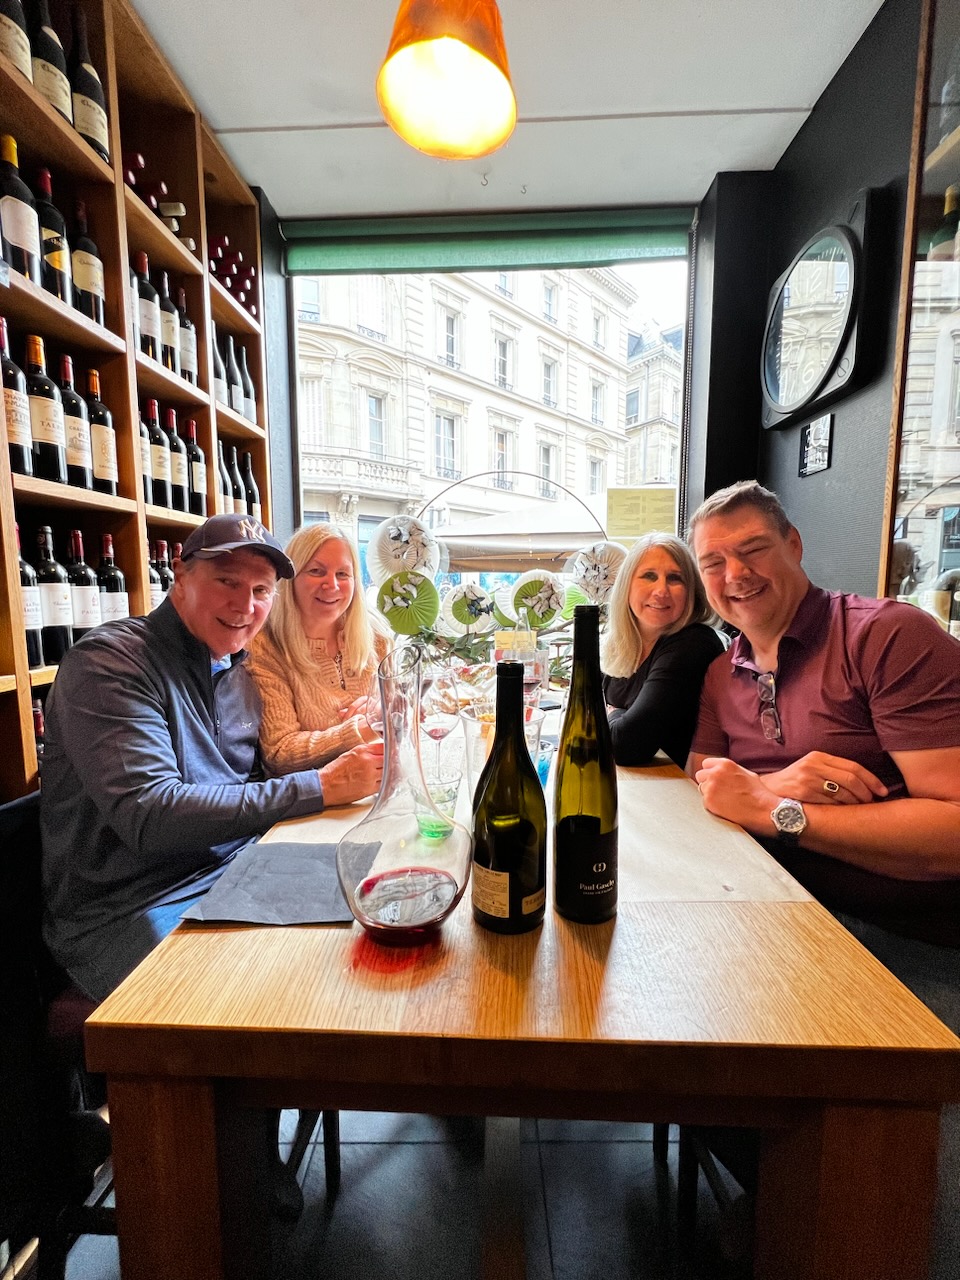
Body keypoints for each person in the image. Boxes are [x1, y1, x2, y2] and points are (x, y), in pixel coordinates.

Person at [686, 480, 960, 1261]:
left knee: (913, 1204)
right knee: (685, 1062)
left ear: (795, 545)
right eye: (714, 562)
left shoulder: (885, 636)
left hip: (921, 939)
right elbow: (706, 785)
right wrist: (774, 784)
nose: (735, 574)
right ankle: (796, 1204)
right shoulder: (724, 672)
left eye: (752, 550)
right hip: (793, 933)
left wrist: (779, 811)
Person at [41, 514, 384, 1004]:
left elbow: (256, 779)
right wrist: (322, 787)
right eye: (228, 582)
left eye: (261, 590)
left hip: (233, 870)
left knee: (375, 900)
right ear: (181, 575)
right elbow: (151, 815)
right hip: (130, 907)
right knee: (284, 1004)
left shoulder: (238, 669)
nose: (245, 606)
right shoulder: (110, 662)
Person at [248, 524, 392, 775]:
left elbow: (405, 707)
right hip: (318, 795)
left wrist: (384, 706)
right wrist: (365, 726)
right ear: (290, 578)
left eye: (343, 574)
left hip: (383, 779)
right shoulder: (264, 647)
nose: (332, 585)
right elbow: (279, 753)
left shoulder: (377, 635)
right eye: (316, 571)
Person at [601, 532, 724, 768]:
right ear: (626, 585)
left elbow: (627, 746)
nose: (661, 591)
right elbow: (584, 717)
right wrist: (616, 718)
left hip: (683, 787)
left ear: (691, 590)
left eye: (675, 578)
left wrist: (612, 713)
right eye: (649, 576)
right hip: (637, 783)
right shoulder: (620, 644)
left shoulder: (694, 643)